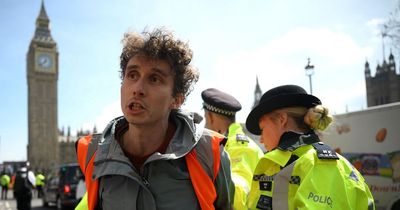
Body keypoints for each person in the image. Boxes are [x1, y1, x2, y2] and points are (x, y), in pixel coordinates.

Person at [75, 28, 234, 210]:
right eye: (132, 75)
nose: (137, 89)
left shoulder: (210, 154)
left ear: (177, 99)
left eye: (154, 79)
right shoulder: (94, 155)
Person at [245, 84, 375, 210]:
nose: (261, 139)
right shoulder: (292, 163)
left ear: (281, 119)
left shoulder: (319, 165)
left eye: (262, 129)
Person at [201, 88, 264, 209]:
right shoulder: (243, 144)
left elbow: (238, 192)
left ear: (210, 117)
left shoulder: (234, 146)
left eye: (205, 117)